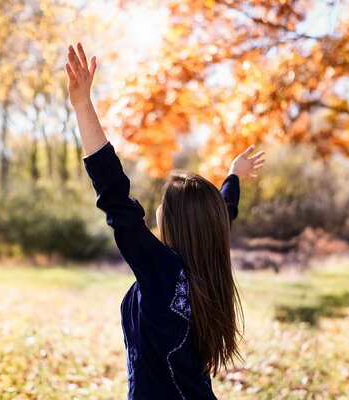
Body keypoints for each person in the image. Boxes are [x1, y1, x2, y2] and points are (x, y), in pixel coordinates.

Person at [65, 43, 265, 400]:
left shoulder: (163, 271)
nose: (155, 210)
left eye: (161, 204)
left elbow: (116, 197)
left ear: (172, 220)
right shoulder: (206, 264)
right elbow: (223, 210)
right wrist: (233, 175)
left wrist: (83, 106)